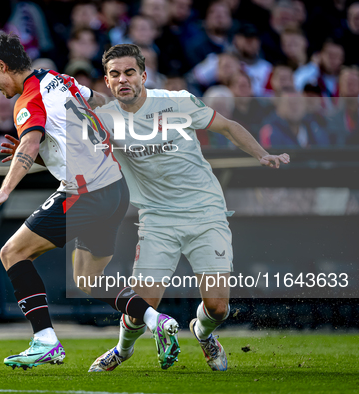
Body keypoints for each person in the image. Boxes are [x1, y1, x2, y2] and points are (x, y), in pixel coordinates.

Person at [0, 33, 180, 370]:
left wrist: (4, 190)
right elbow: (96, 101)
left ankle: (45, 341)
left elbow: (29, 143)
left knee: (12, 253)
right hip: (115, 187)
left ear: (2, 66)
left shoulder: (28, 99)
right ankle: (158, 321)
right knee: (89, 280)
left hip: (86, 192)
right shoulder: (57, 79)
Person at [81, 44, 289, 372]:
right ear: (107, 82)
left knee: (218, 308)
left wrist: (262, 154)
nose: (123, 79)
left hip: (206, 213)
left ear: (144, 76)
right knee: (141, 307)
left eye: (130, 72)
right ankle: (122, 350)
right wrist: (27, 154)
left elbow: (228, 126)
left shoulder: (177, 101)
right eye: (115, 74)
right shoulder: (104, 121)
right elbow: (73, 155)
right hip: (157, 219)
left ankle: (203, 334)